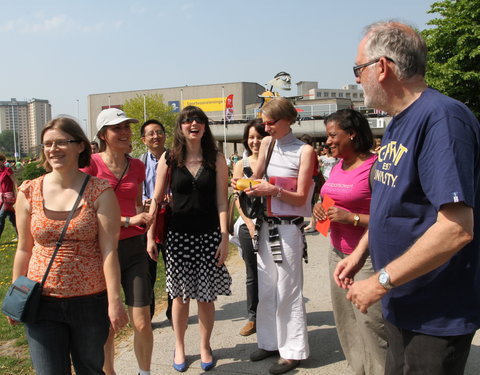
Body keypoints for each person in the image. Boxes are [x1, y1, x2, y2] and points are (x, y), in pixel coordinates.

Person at [334, 21, 480, 374]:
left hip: (434, 312)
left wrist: (380, 281)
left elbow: (456, 228)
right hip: (404, 301)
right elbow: (392, 205)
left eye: (359, 68)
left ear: (382, 67)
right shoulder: (399, 121)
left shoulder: (442, 118)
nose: (357, 79)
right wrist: (360, 252)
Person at [7, 117, 128, 374]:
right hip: (41, 302)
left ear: (80, 146)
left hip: (89, 302)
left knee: (90, 369)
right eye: (48, 144)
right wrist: (15, 296)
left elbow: (109, 251)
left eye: (62, 142)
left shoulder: (99, 191)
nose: (53, 149)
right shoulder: (28, 191)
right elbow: (24, 249)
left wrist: (114, 300)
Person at [148, 105, 231, 372]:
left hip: (208, 237)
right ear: (180, 127)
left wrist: (224, 236)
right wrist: (150, 235)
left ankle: (205, 346)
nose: (193, 124)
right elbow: (157, 200)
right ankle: (180, 345)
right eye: (187, 121)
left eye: (198, 120)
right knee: (180, 297)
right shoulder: (169, 159)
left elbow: (221, 201)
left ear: (205, 127)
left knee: (206, 297)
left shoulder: (216, 159)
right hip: (178, 238)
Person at [236, 97, 316, 374]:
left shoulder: (305, 151)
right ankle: (269, 342)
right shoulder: (268, 144)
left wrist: (275, 191)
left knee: (288, 290)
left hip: (288, 227)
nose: (265, 128)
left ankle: (293, 349)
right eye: (264, 122)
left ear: (287, 120)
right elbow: (257, 179)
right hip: (264, 225)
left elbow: (303, 197)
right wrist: (246, 185)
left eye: (270, 123)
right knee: (267, 287)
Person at [313, 109, 386, 375]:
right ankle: (359, 370)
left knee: (371, 323)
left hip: (367, 257)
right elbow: (331, 198)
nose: (328, 141)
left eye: (333, 135)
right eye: (327, 135)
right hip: (337, 253)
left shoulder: (375, 167)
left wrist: (351, 218)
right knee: (346, 322)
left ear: (352, 134)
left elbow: (386, 217)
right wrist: (320, 208)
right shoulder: (338, 166)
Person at [81, 108, 154, 375]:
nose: (125, 132)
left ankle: (144, 372)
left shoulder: (137, 166)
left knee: (142, 322)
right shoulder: (90, 165)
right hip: (101, 250)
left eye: (127, 127)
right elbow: (84, 209)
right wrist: (127, 220)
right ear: (103, 134)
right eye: (117, 128)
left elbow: (135, 203)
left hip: (134, 248)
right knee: (107, 324)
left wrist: (142, 212)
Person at [232, 119, 268, 336]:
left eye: (259, 137)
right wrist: (248, 223)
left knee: (272, 271)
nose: (255, 141)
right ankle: (253, 317)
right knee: (252, 272)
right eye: (251, 137)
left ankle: (272, 313)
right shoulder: (241, 165)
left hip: (272, 224)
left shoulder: (273, 162)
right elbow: (237, 198)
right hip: (249, 225)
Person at [139, 119, 172, 320]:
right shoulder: (139, 162)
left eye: (159, 132)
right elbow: (137, 189)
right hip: (147, 219)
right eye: (151, 133)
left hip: (170, 218)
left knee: (172, 268)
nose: (155, 136)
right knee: (146, 270)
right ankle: (148, 313)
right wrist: (146, 201)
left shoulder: (175, 158)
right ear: (144, 139)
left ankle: (172, 311)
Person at [0, 153, 17, 241]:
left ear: (3, 161)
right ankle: (21, 237)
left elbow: (15, 182)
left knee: (1, 216)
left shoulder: (7, 170)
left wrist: (17, 194)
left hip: (9, 198)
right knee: (12, 218)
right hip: (1, 198)